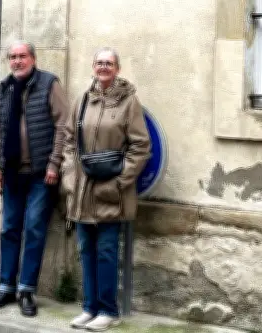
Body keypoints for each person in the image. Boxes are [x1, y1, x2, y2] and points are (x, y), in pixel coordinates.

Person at [60, 47, 151, 331]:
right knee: (86, 249)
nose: (103, 67)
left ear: (117, 69)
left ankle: (108, 310)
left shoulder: (129, 102)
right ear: (93, 66)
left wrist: (119, 183)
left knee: (107, 251)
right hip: (83, 189)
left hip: (111, 190)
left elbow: (141, 146)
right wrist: (69, 175)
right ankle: (90, 308)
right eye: (99, 62)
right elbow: (68, 140)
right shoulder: (83, 99)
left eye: (109, 63)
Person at [0, 41, 69, 317]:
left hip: (40, 174)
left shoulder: (49, 83)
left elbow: (63, 125)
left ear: (33, 58)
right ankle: (6, 286)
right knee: (9, 228)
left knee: (34, 229)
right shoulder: (4, 87)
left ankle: (26, 290)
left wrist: (54, 163)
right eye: (13, 57)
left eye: (22, 56)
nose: (17, 61)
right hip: (11, 174)